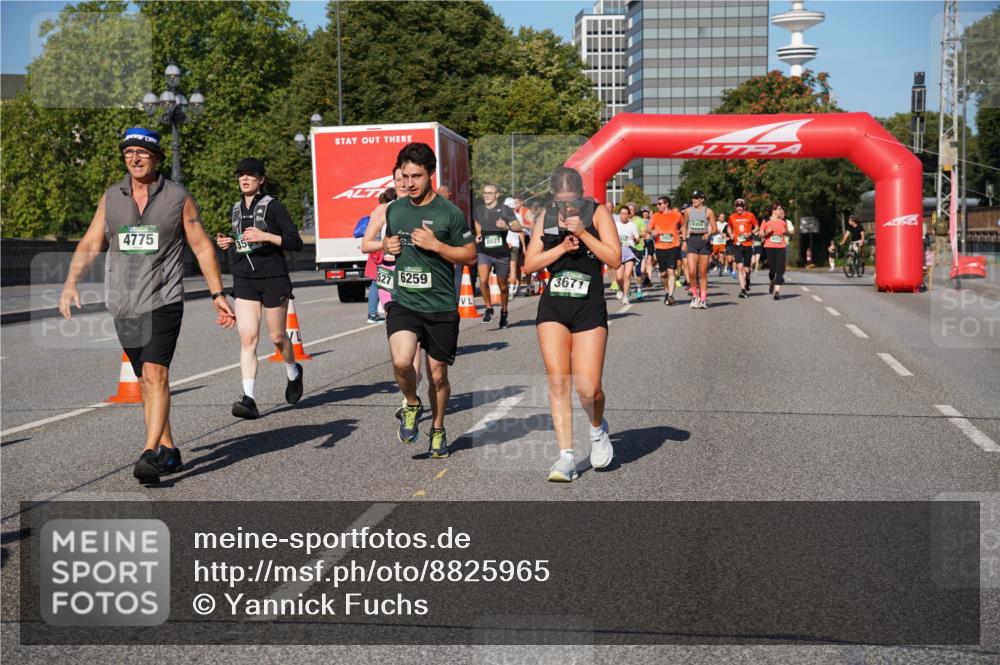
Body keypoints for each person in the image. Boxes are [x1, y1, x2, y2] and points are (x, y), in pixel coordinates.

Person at [58, 128, 235, 485]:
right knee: (144, 380)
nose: (135, 159)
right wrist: (70, 283)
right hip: (123, 304)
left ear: (155, 157)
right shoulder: (112, 197)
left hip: (163, 299)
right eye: (129, 154)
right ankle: (168, 449)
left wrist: (218, 294)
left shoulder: (177, 198)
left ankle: (149, 452)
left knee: (156, 374)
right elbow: (92, 241)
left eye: (142, 153)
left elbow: (201, 246)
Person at [524, 166, 620, 482]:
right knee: (558, 381)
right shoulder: (546, 217)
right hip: (554, 307)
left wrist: (582, 233)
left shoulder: (598, 213)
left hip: (588, 308)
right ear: (553, 197)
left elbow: (614, 259)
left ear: (581, 195)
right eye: (561, 201)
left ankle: (597, 430)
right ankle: (566, 457)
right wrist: (561, 247)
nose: (567, 207)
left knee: (588, 388)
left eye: (572, 200)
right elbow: (529, 264)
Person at [383, 142, 476, 458]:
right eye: (405, 176)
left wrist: (438, 245)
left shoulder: (449, 213)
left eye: (416, 176)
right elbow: (389, 241)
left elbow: (470, 255)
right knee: (400, 361)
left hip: (440, 305)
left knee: (438, 376)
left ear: (431, 174)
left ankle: (437, 428)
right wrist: (389, 245)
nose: (409, 183)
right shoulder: (395, 209)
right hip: (405, 301)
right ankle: (411, 402)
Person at [215, 158, 304, 421]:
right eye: (241, 175)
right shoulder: (235, 209)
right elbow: (244, 241)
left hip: (273, 277)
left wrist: (265, 236)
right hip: (244, 278)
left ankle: (293, 371)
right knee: (247, 338)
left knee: (277, 337)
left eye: (250, 176)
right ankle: (249, 398)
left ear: (261, 180)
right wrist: (229, 241)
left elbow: (295, 242)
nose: (244, 179)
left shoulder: (274, 207)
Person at [363, 172, 424, 386]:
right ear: (394, 183)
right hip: (389, 277)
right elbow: (366, 245)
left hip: (416, 276)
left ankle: (411, 392)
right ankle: (408, 375)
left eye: (408, 179)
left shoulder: (424, 210)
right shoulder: (383, 210)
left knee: (413, 335)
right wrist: (386, 244)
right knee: (398, 334)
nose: (404, 184)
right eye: (399, 180)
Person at [474, 183, 521, 327]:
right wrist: (478, 234)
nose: (486, 195)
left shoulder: (505, 210)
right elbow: (477, 222)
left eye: (490, 193)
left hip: (501, 253)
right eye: (484, 193)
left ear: (497, 194)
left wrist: (506, 226)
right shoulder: (479, 209)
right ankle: (489, 308)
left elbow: (518, 227)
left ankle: (504, 311)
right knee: (482, 279)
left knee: (503, 286)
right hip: (484, 251)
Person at [682, 190, 718, 309]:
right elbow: (684, 226)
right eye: (692, 197)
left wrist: (709, 234)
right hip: (692, 240)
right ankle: (694, 296)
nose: (694, 200)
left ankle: (703, 299)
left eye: (697, 198)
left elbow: (715, 229)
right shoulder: (688, 211)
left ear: (702, 199)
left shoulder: (708, 212)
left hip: (704, 242)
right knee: (691, 271)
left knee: (702, 272)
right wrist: (684, 241)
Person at [649, 196, 683, 305]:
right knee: (663, 274)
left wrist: (683, 234)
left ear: (666, 204)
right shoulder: (655, 216)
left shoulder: (677, 215)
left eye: (659, 204)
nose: (657, 206)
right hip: (660, 248)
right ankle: (667, 292)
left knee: (671, 271)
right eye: (657, 204)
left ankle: (671, 295)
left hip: (673, 247)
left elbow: (684, 225)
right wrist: (652, 231)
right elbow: (648, 228)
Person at [728, 198, 759, 298]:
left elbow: (757, 227)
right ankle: (743, 290)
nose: (739, 208)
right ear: (735, 207)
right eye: (737, 206)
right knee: (739, 267)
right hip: (737, 244)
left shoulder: (750, 215)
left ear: (744, 207)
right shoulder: (732, 217)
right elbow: (729, 227)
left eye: (741, 206)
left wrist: (750, 233)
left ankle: (748, 280)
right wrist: (730, 233)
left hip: (748, 245)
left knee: (746, 269)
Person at [760, 203, 789, 300]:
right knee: (772, 270)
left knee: (780, 270)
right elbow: (760, 234)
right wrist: (765, 232)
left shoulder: (783, 221)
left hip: (781, 247)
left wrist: (786, 232)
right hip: (769, 247)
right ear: (774, 210)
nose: (781, 210)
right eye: (779, 209)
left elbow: (787, 232)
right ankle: (772, 281)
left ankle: (777, 292)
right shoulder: (766, 221)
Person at [614, 206, 640, 305]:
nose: (624, 215)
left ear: (629, 215)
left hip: (629, 251)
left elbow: (637, 240)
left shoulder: (632, 225)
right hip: (618, 252)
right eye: (622, 213)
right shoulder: (615, 225)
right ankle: (621, 289)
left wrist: (635, 239)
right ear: (619, 214)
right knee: (619, 277)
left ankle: (625, 297)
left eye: (626, 213)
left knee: (627, 275)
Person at [640, 207, 655, 288]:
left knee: (649, 261)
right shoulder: (640, 221)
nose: (645, 213)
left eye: (646, 212)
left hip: (650, 242)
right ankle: (644, 278)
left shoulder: (651, 220)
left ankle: (649, 279)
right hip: (642, 243)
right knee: (643, 262)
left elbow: (653, 230)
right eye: (643, 212)